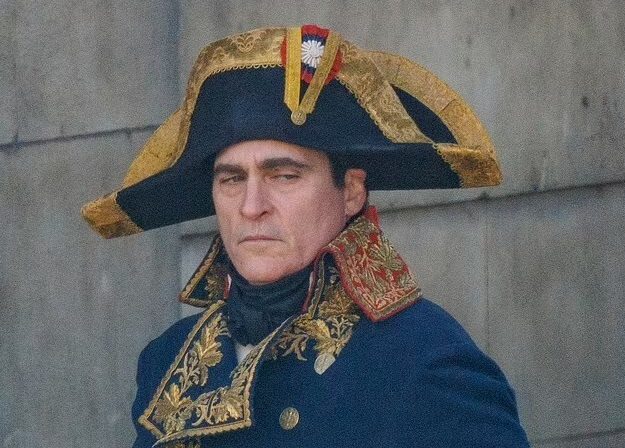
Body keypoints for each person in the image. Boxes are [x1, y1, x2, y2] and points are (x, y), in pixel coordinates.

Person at [83, 25, 530, 447]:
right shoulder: (166, 361)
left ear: (351, 192)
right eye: (232, 179)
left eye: (284, 176)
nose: (252, 206)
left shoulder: (423, 360)